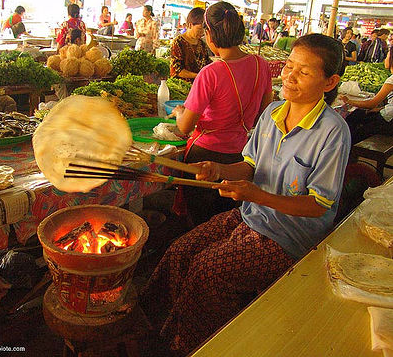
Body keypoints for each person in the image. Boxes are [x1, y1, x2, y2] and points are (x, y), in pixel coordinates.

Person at [141, 33, 351, 356]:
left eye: (304, 72)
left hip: (288, 238)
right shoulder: (272, 114)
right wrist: (220, 170)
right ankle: (166, 326)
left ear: (330, 81)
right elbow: (249, 166)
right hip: (250, 216)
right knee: (180, 251)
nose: (290, 76)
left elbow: (316, 206)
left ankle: (200, 346)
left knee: (207, 272)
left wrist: (256, 194)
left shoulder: (333, 132)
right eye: (289, 66)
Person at [170, 2, 273, 226]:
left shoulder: (210, 73)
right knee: (223, 221)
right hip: (240, 157)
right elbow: (264, 113)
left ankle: (195, 258)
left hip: (205, 160)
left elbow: (185, 128)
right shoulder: (261, 65)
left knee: (198, 223)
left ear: (210, 35)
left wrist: (179, 112)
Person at [342, 48, 393, 145]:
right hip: (389, 118)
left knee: (353, 125)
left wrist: (348, 101)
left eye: (387, 56)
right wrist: (380, 109)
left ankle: (348, 149)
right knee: (358, 115)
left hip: (388, 122)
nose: (385, 59)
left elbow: (371, 104)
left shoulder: (391, 81)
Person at [169, 7, 211, 81]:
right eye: (199, 29)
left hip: (200, 83)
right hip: (183, 87)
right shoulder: (178, 42)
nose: (202, 32)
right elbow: (176, 70)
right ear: (190, 25)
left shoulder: (202, 44)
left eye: (204, 30)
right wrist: (198, 75)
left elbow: (207, 63)